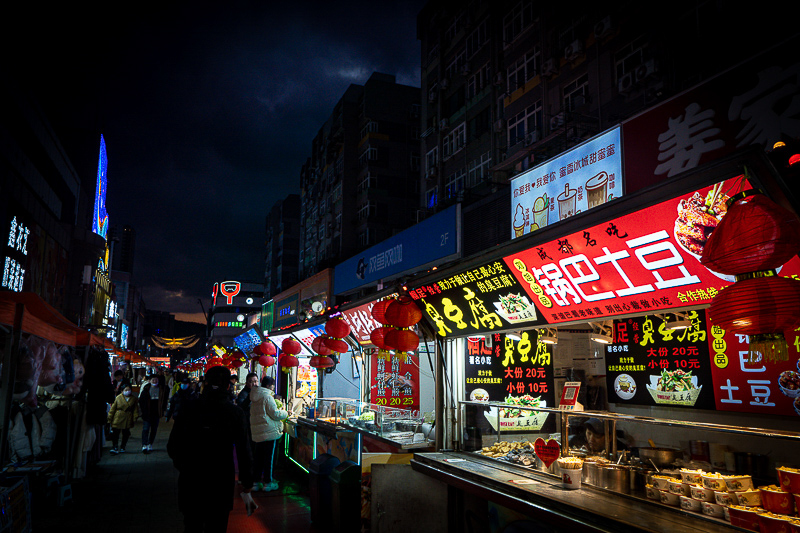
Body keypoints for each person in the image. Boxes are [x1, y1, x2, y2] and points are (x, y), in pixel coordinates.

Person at [168, 366, 254, 532]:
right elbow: (244, 449)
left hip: (191, 481)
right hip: (220, 480)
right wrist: (247, 481)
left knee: (192, 525)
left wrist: (185, 467)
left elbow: (173, 445)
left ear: (205, 383)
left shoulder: (189, 408)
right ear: (228, 386)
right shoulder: (235, 413)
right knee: (217, 525)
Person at [250, 375, 288, 491]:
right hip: (269, 432)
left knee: (258, 458)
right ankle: (268, 482)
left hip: (259, 432)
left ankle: (256, 482)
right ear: (268, 386)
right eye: (272, 385)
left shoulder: (255, 396)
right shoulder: (267, 397)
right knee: (269, 459)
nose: (273, 388)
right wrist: (285, 412)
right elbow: (275, 414)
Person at [138, 374, 168, 453]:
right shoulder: (146, 389)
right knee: (146, 429)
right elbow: (141, 401)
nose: (154, 381)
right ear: (149, 381)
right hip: (147, 413)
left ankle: (150, 443)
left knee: (154, 429)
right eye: (153, 380)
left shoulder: (161, 390)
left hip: (156, 413)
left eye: (156, 380)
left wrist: (163, 410)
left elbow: (164, 401)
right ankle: (144, 445)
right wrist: (143, 411)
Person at [108, 385, 137, 454]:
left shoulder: (133, 399)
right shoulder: (118, 398)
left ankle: (123, 446)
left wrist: (135, 417)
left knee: (126, 433)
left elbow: (135, 409)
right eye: (125, 390)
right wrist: (110, 418)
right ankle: (115, 446)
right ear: (122, 391)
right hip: (118, 417)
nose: (127, 391)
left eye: (129, 389)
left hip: (128, 417)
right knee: (116, 433)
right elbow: (113, 409)